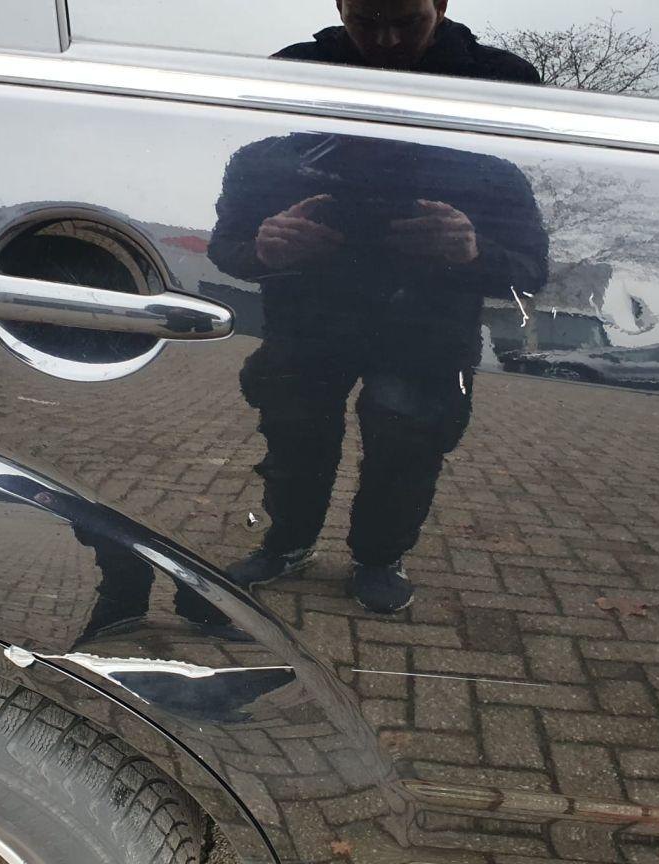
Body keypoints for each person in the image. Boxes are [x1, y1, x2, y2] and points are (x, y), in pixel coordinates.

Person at [209, 130, 548, 613]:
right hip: (307, 330)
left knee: (405, 450)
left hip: (424, 337)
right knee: (293, 441)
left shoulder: (485, 171)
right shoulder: (267, 159)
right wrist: (264, 250)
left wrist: (474, 252)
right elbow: (227, 246)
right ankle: (287, 543)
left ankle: (380, 559)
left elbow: (531, 270)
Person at [275, 0, 541, 85]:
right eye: (365, 22)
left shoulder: (506, 79)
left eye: (408, 23)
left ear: (440, 7)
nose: (387, 41)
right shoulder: (292, 72)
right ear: (339, 7)